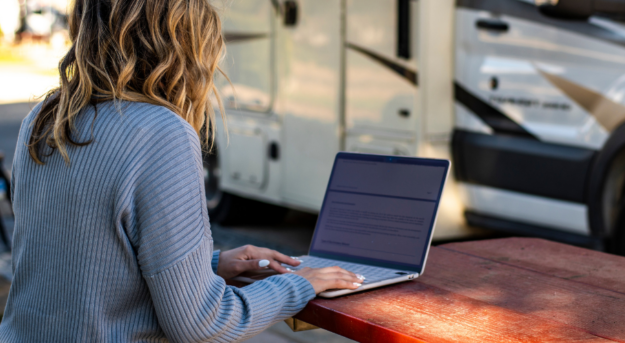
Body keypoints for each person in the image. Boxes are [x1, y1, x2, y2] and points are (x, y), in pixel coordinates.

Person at [0, 0, 363, 342]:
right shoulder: (161, 132)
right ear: (186, 37)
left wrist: (209, 265)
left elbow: (84, 265)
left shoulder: (46, 117)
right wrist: (301, 284)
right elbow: (203, 323)